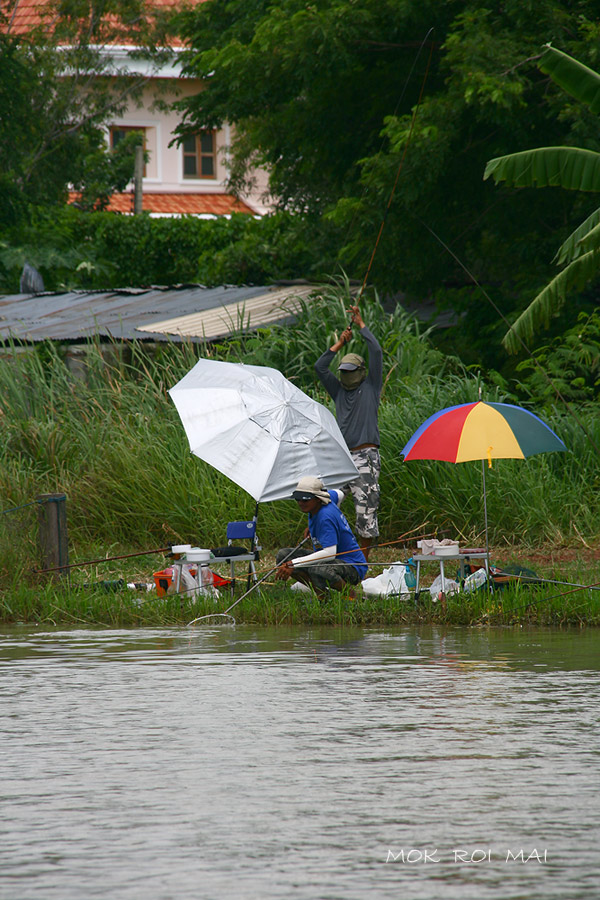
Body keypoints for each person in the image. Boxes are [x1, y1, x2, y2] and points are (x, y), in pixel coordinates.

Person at [314, 304, 382, 560]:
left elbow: (375, 351)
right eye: (344, 372)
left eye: (351, 371)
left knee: (366, 512)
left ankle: (360, 565)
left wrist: (361, 324)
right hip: (342, 457)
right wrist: (340, 344)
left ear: (361, 372)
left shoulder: (372, 386)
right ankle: (328, 557)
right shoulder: (339, 390)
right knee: (324, 504)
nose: (346, 375)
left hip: (366, 456)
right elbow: (320, 367)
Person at [275, 476, 368, 599]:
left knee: (317, 569)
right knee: (283, 556)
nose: (301, 503)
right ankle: (323, 594)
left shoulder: (325, 518)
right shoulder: (328, 498)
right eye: (298, 499)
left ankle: (351, 596)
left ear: (318, 498)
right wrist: (316, 527)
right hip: (330, 561)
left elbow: (330, 554)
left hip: (353, 566)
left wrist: (293, 564)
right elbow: (340, 494)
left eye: (305, 500)